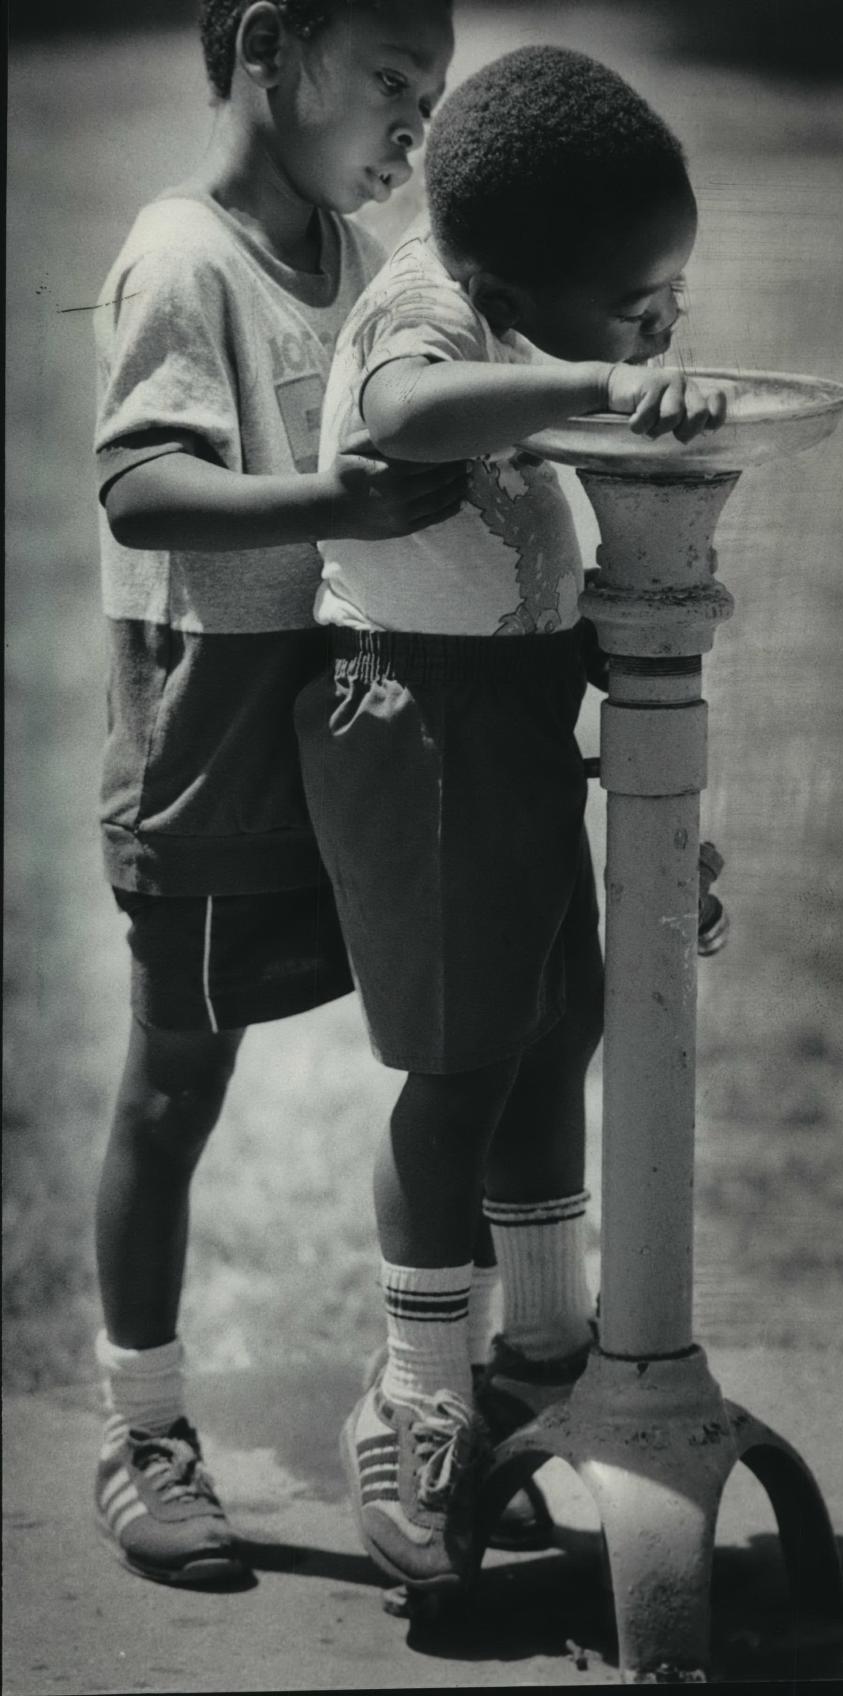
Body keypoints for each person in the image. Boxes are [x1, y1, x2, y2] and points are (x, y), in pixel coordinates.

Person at [295, 43, 727, 1595]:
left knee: (560, 1023)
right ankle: (415, 1393)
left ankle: (541, 1356)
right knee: (461, 1062)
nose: (662, 324)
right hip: (416, 722)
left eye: (669, 290)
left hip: (520, 707)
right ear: (499, 276)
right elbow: (407, 413)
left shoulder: (507, 291)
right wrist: (601, 379)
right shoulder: (424, 308)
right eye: (636, 299)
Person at [91, 0, 460, 1586]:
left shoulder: (363, 262)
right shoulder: (184, 254)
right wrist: (333, 496)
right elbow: (143, 483)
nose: (413, 131)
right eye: (392, 83)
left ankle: (432, 1395)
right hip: (214, 743)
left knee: (461, 1041)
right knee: (178, 1084)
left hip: (349, 732)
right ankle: (144, 1425)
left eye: (431, 99)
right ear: (269, 46)